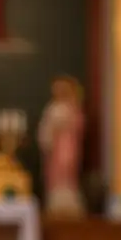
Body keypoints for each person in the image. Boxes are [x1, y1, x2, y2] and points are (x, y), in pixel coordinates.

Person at [37, 76, 85, 215]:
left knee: (66, 177)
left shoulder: (70, 108)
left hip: (67, 148)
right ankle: (57, 205)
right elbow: (47, 130)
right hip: (56, 149)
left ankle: (66, 206)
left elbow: (76, 127)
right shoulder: (56, 108)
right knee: (56, 177)